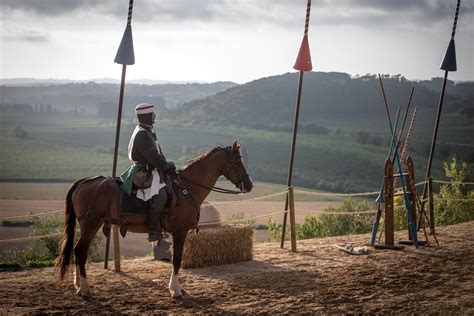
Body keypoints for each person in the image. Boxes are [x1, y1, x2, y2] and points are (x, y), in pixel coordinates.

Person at [120, 103, 175, 242]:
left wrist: (166, 164)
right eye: (152, 114)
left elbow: (158, 153)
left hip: (152, 168)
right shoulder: (142, 135)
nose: (154, 116)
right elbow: (154, 157)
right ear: (146, 116)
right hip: (144, 171)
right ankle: (153, 230)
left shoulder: (148, 130)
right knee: (161, 197)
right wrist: (167, 165)